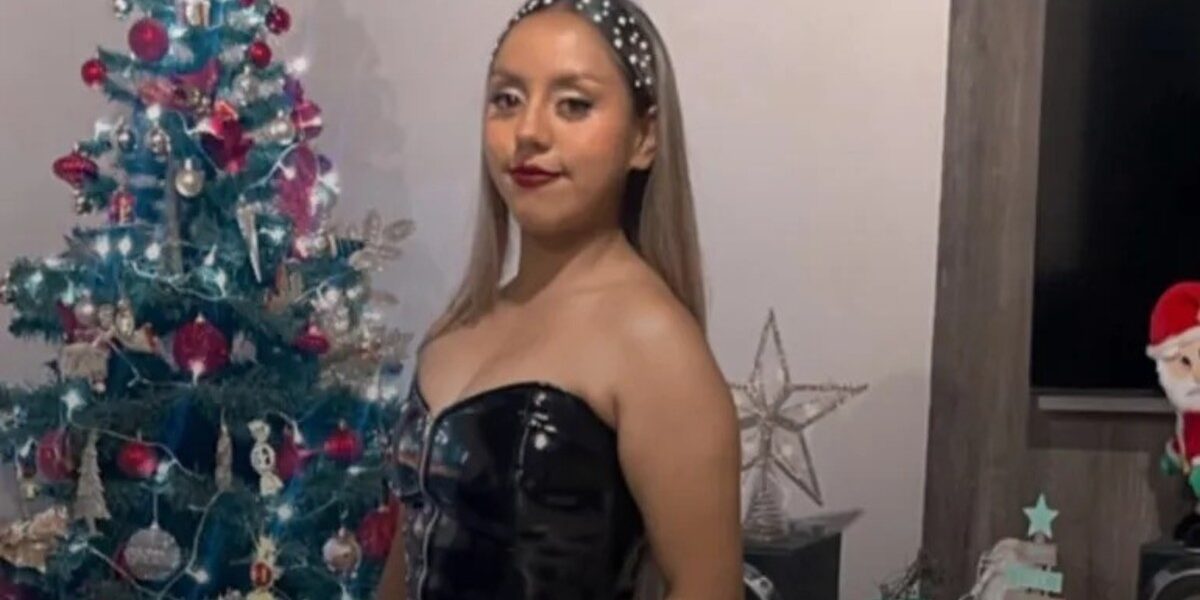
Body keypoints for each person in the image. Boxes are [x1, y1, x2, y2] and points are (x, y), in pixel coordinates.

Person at [377, 0, 743, 597]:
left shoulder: (652, 343)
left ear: (644, 137)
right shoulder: (458, 327)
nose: (528, 132)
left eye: (573, 104)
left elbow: (708, 586)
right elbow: (404, 567)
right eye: (507, 99)